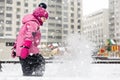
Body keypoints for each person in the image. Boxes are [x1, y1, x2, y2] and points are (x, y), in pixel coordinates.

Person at [11, 3, 48, 76]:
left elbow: (19, 37)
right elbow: (29, 35)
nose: (44, 21)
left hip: (23, 51)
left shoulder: (28, 23)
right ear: (39, 16)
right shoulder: (33, 23)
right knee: (40, 63)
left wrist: (15, 49)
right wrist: (26, 47)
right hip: (28, 51)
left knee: (28, 71)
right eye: (44, 18)